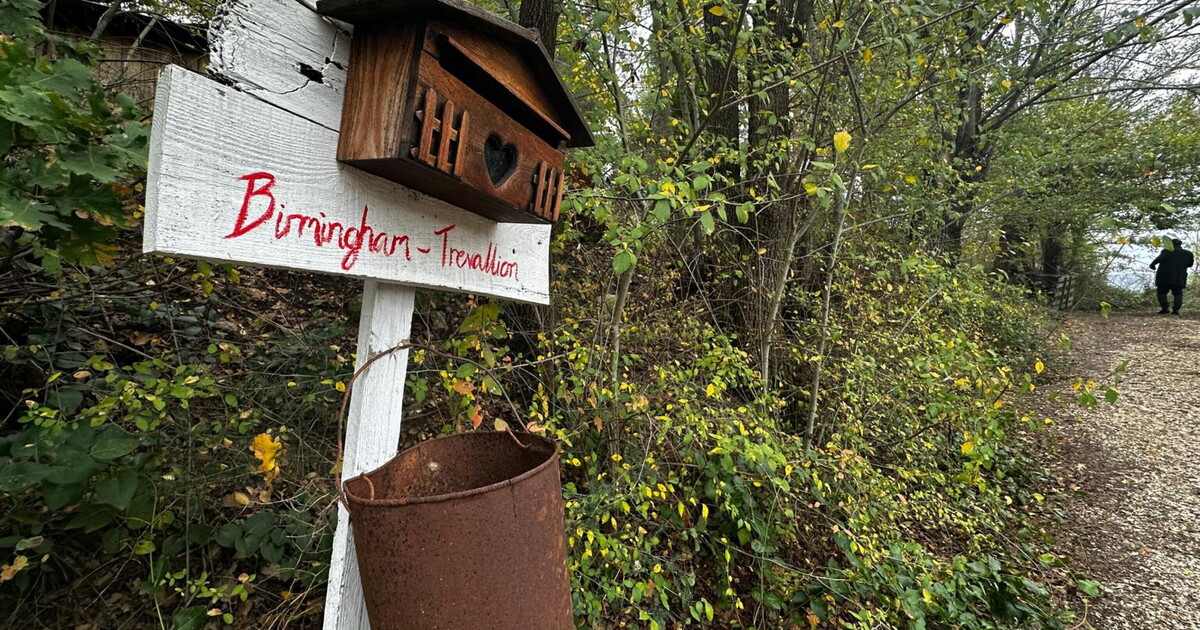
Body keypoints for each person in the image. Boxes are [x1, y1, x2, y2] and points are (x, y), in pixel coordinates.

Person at [1149, 238, 1195, 315]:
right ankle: (1176, 310)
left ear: (1171, 244)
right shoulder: (1188, 253)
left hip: (1164, 276)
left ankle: (1165, 308)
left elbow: (1158, 259)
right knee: (1177, 293)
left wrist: (1152, 265)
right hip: (1179, 276)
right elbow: (1190, 264)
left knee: (1161, 292)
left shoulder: (1166, 251)